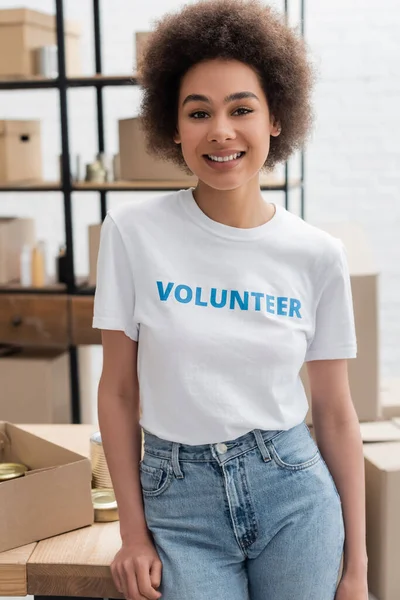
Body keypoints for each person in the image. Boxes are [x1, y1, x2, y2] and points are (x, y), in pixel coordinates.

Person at [92, 1, 368, 599]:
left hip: (294, 492)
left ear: (275, 119)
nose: (221, 130)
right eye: (199, 112)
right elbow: (117, 390)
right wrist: (132, 534)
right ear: (173, 126)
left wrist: (357, 569)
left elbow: (336, 412)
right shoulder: (132, 234)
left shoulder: (317, 254)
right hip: (178, 498)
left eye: (242, 108)